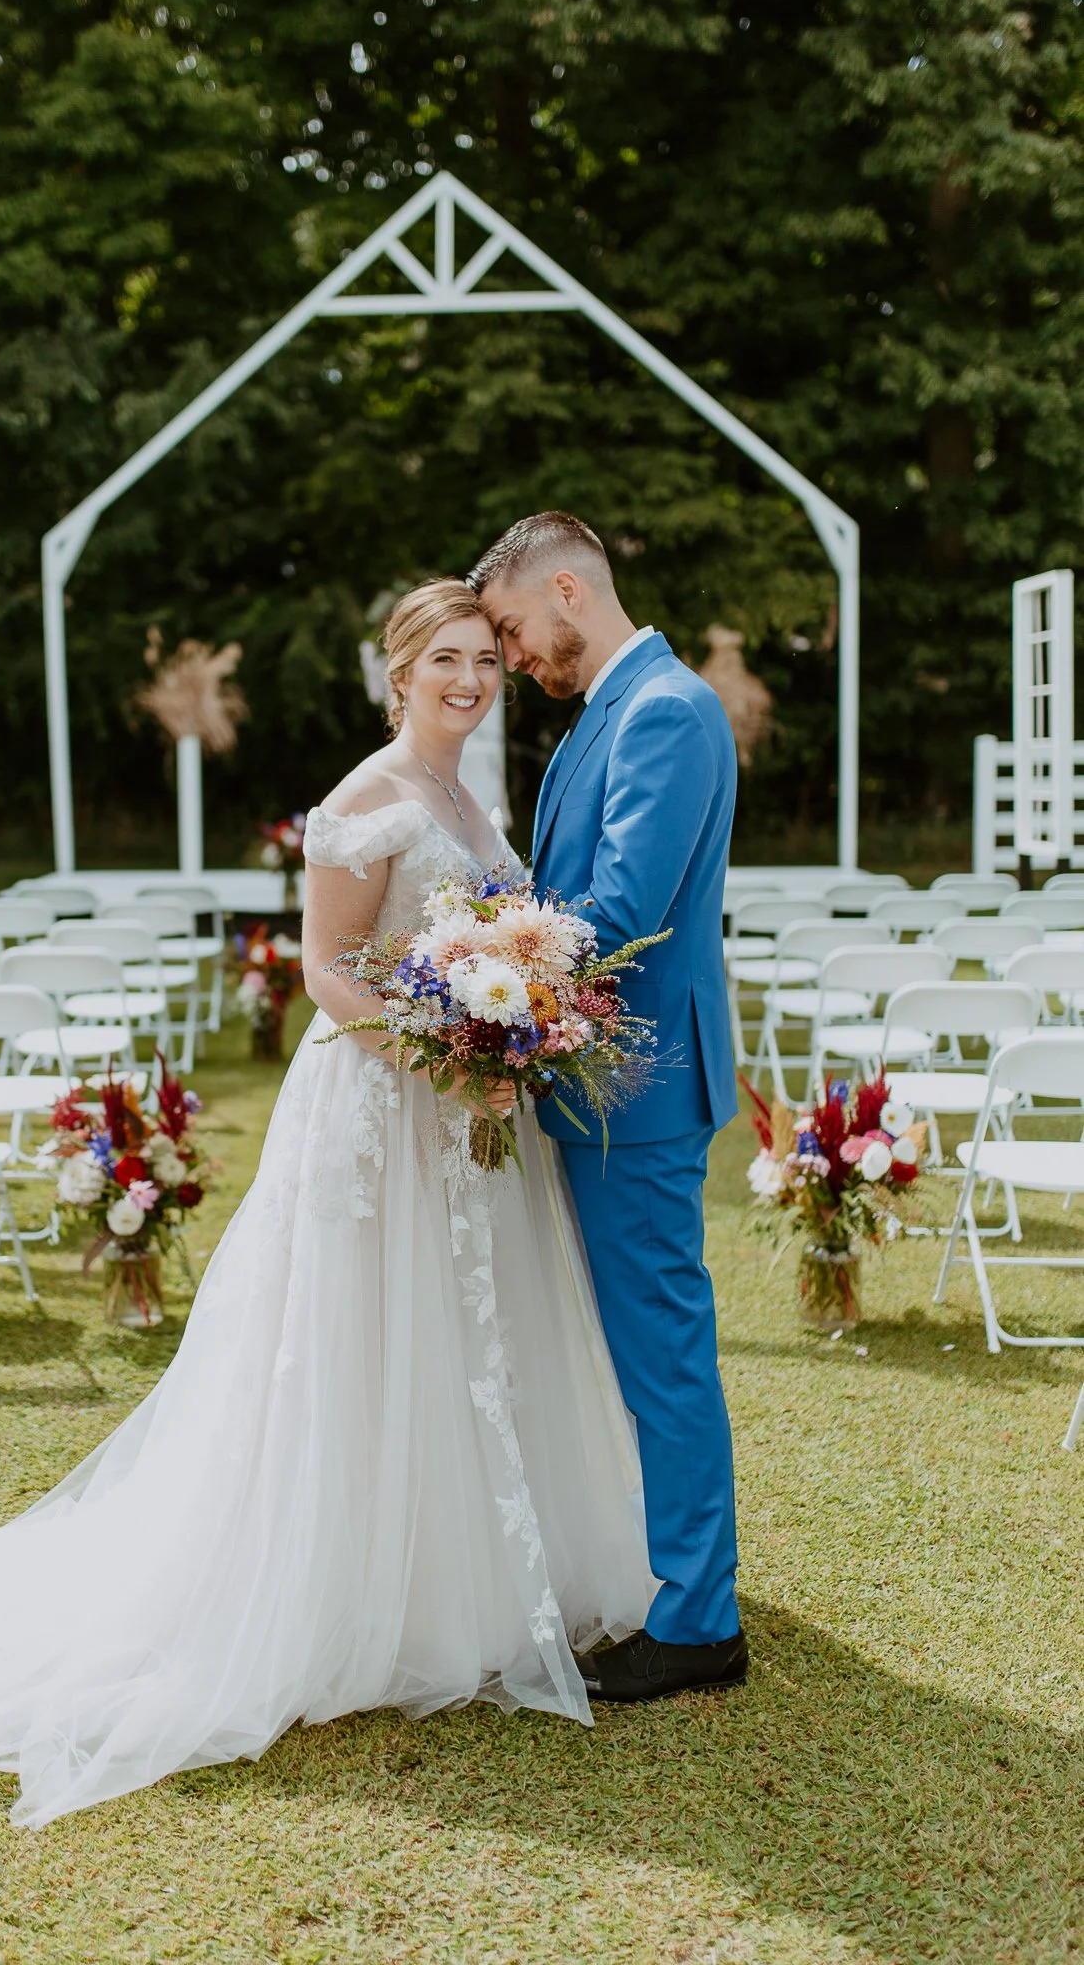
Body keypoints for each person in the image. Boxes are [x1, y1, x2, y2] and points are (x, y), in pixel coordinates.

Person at [0, 578, 655, 1829]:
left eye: (487, 658)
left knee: (464, 1330)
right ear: (398, 672)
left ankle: (463, 1578)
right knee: (362, 1340)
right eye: (446, 658)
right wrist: (445, 1055)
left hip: (464, 1110)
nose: (471, 679)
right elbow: (328, 970)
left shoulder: (467, 795)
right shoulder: (366, 796)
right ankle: (348, 1591)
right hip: (383, 1104)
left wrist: (503, 1037)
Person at [470, 511, 746, 1703]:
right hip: (597, 1082)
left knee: (662, 1349)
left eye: (515, 629)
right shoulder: (606, 711)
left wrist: (478, 973)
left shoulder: (666, 710)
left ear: (570, 590)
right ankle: (672, 1566)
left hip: (638, 1085)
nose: (513, 656)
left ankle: (698, 1620)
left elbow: (623, 908)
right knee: (634, 1344)